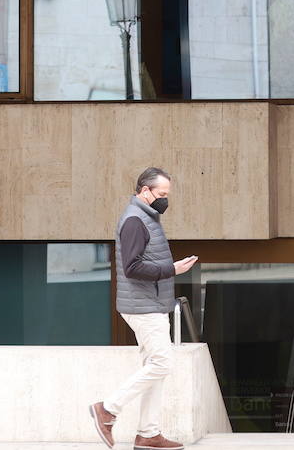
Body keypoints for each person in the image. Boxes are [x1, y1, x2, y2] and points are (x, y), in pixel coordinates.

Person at [89, 168, 199, 450]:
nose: (165, 200)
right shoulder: (135, 220)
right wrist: (171, 269)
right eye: (162, 195)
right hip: (143, 306)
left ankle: (148, 434)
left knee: (155, 367)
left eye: (167, 195)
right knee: (162, 363)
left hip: (151, 303)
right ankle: (108, 409)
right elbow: (133, 267)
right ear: (145, 190)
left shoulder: (146, 217)